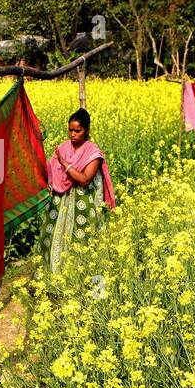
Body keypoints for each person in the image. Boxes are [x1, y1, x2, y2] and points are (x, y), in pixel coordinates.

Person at [38, 108, 116, 273]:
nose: (72, 134)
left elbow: (84, 179)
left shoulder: (92, 152)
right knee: (51, 238)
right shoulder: (64, 148)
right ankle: (53, 276)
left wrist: (64, 163)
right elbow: (51, 172)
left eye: (77, 131)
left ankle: (79, 279)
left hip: (84, 204)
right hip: (60, 203)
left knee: (81, 240)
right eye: (70, 130)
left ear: (86, 130)